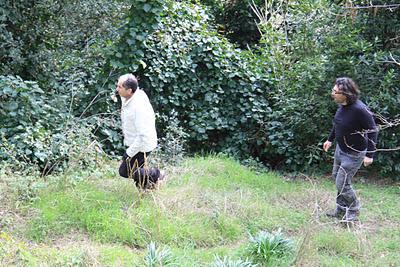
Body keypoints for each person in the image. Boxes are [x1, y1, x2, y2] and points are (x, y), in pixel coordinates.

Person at [323, 77, 378, 222]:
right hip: (340, 150)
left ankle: (353, 210)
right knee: (337, 179)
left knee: (342, 183)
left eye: (335, 91)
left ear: (345, 93)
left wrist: (370, 154)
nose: (332, 93)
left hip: (353, 154)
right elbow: (337, 124)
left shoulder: (360, 109)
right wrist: (330, 139)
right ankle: (341, 210)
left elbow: (373, 130)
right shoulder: (342, 105)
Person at [116, 73, 163, 189]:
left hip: (142, 145)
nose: (117, 89)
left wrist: (129, 153)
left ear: (129, 90)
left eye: (119, 87)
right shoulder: (131, 95)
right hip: (136, 142)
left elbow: (142, 135)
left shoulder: (138, 107)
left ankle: (157, 174)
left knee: (125, 171)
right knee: (137, 171)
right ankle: (148, 188)